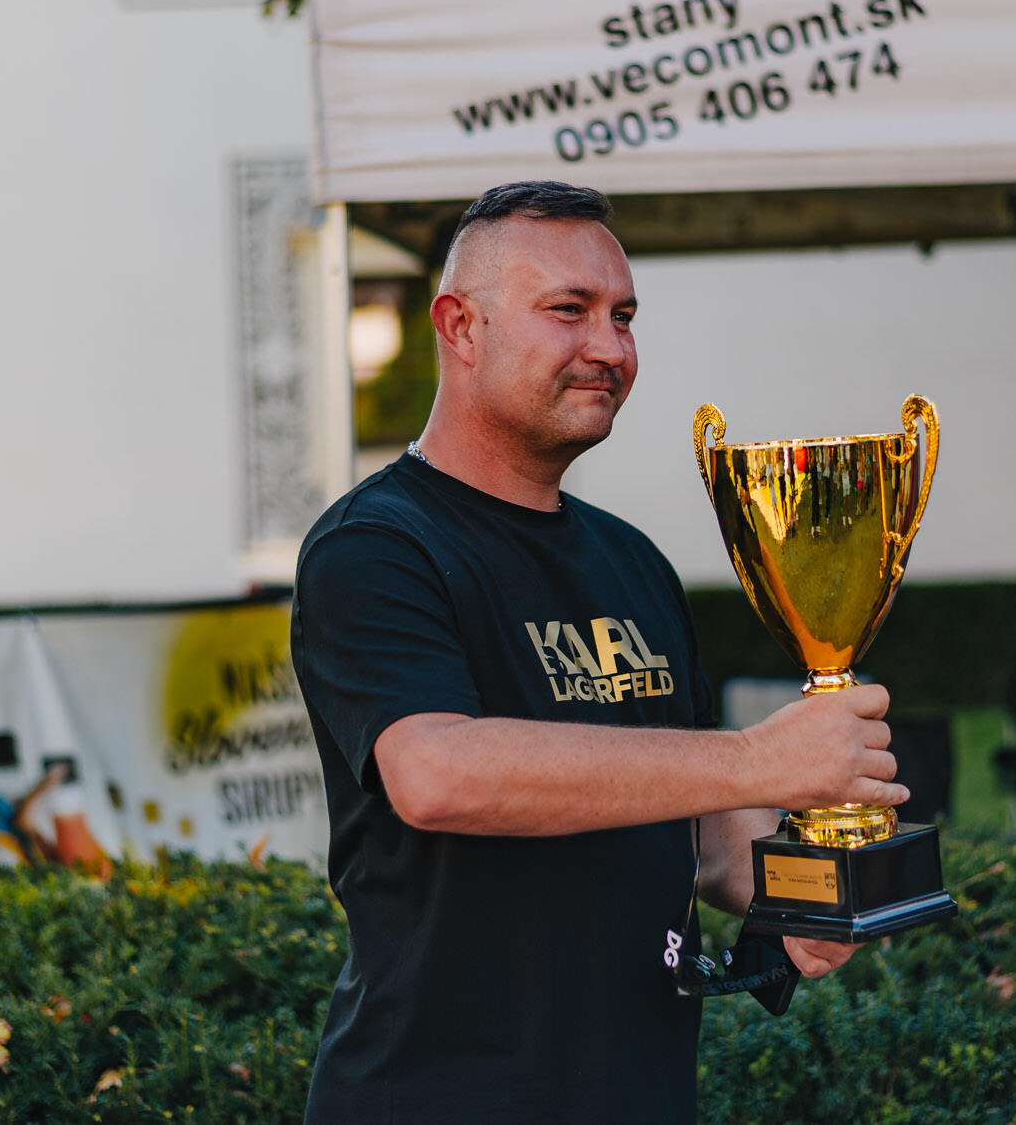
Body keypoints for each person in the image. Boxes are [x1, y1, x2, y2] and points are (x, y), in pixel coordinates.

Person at [290, 180, 903, 1124]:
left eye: (623, 316)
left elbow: (706, 837)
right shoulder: (375, 547)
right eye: (568, 310)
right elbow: (437, 773)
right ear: (460, 326)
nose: (611, 348)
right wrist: (756, 757)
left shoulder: (634, 561)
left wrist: (812, 891)